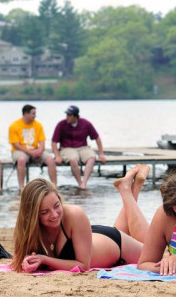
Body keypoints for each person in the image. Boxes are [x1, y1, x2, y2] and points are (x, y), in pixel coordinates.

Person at [12, 164, 151, 273]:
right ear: (32, 215)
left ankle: (128, 190)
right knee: (127, 233)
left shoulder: (74, 214)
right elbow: (18, 261)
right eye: (44, 212)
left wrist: (44, 260)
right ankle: (132, 186)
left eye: (56, 205)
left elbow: (83, 266)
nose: (54, 214)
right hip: (91, 239)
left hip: (117, 245)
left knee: (151, 254)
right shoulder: (26, 229)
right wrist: (27, 260)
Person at [51, 105, 105, 190]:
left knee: (92, 157)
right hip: (67, 148)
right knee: (73, 159)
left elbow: (97, 138)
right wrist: (57, 156)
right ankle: (80, 183)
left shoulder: (86, 123)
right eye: (66, 115)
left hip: (83, 147)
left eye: (69, 115)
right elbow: (54, 142)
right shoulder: (61, 124)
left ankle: (84, 183)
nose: (67, 117)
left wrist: (101, 154)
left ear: (75, 116)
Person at [8, 104, 57, 192]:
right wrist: (30, 153)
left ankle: (54, 186)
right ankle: (22, 187)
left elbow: (42, 141)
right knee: (21, 160)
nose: (35, 116)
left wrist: (40, 151)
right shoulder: (14, 126)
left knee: (51, 160)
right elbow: (16, 144)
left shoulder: (38, 125)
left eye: (35, 113)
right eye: (33, 114)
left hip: (35, 150)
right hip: (20, 150)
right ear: (26, 114)